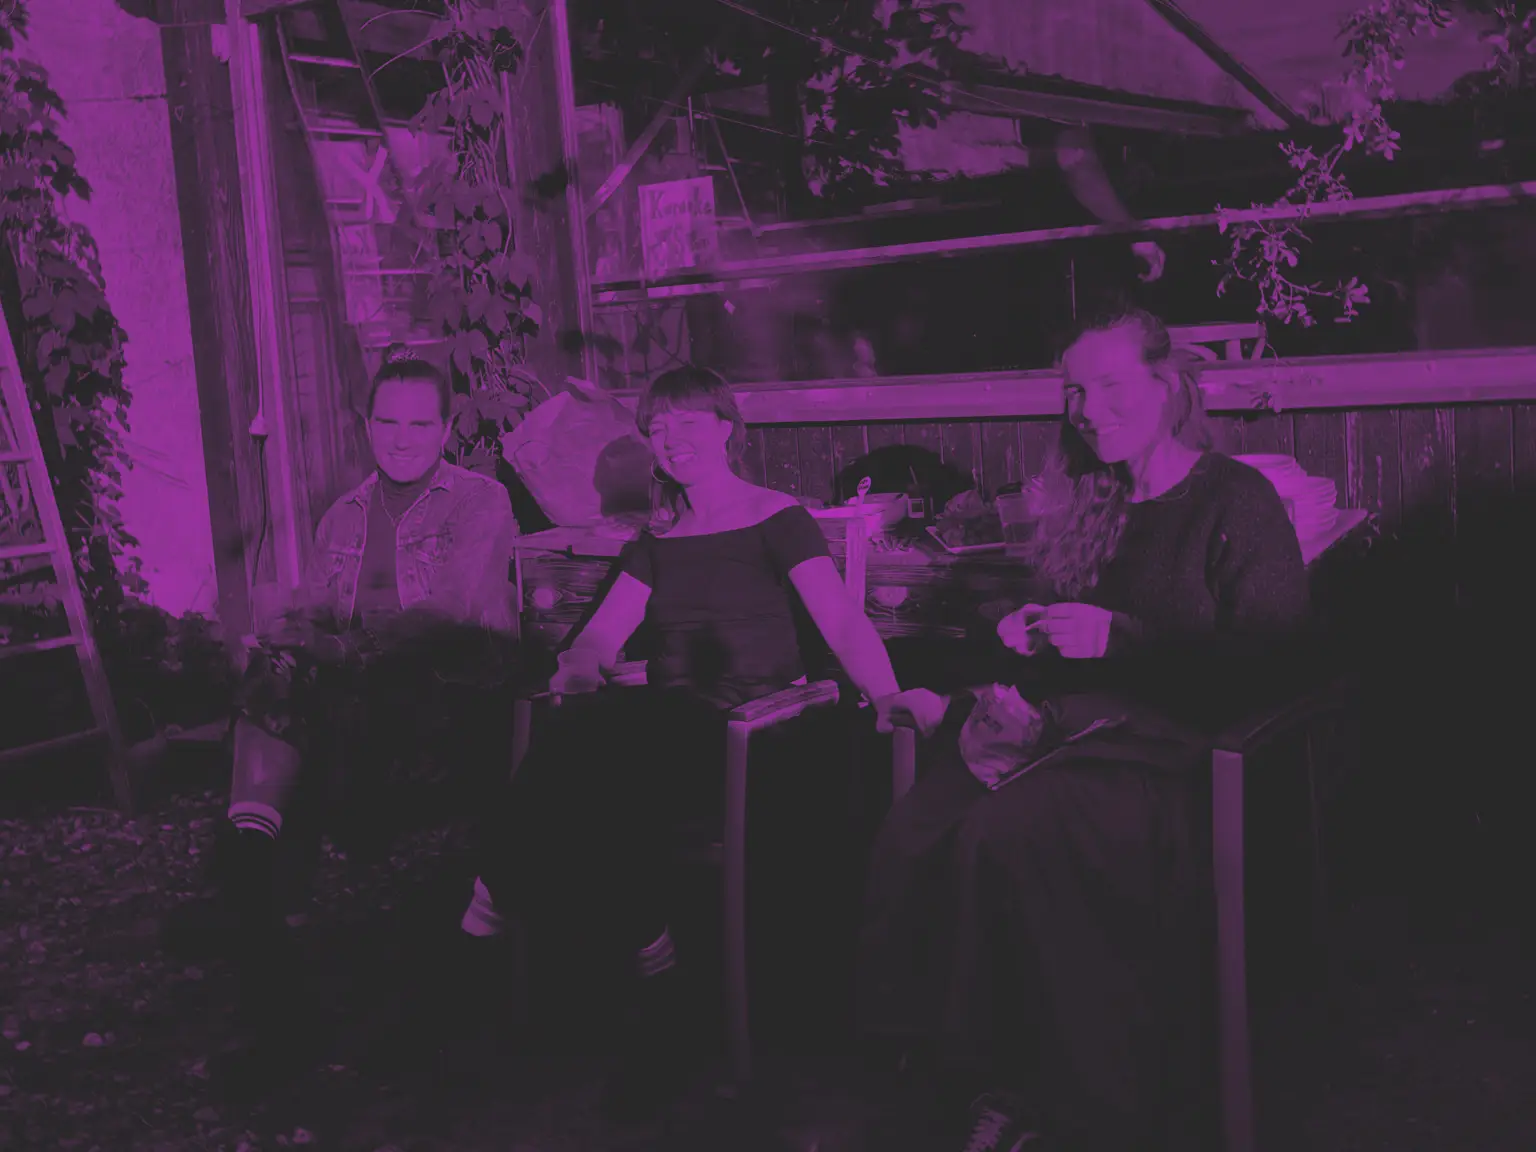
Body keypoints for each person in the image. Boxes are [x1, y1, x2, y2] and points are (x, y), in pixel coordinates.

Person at [858, 308, 1311, 1152]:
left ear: (1166, 387)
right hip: (1070, 737)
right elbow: (1059, 653)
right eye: (1075, 391)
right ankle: (965, 1075)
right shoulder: (1091, 501)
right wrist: (1014, 647)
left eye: (1110, 386)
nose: (1089, 410)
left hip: (1183, 759)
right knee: (921, 825)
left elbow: (1270, 662)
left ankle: (1062, 1098)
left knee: (1006, 832)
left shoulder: (1235, 499)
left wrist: (1121, 638)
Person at [461, 364, 914, 1124]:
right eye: (658, 428)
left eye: (688, 423)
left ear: (726, 429)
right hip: (666, 731)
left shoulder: (778, 520)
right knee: (587, 732)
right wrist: (582, 664)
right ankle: (653, 966)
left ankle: (491, 905)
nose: (672, 440)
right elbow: (599, 637)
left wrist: (889, 693)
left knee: (603, 747)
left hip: (757, 734)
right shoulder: (658, 542)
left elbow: (840, 620)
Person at [162, 358, 520, 1083]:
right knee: (275, 675)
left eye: (419, 422)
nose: (401, 438)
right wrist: (290, 627)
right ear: (366, 424)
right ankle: (255, 864)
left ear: (446, 428)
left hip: (448, 701)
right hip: (356, 700)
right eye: (387, 420)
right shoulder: (345, 514)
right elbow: (323, 607)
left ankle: (248, 872)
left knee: (293, 709)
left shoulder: (480, 502)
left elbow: (446, 616)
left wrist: (340, 649)